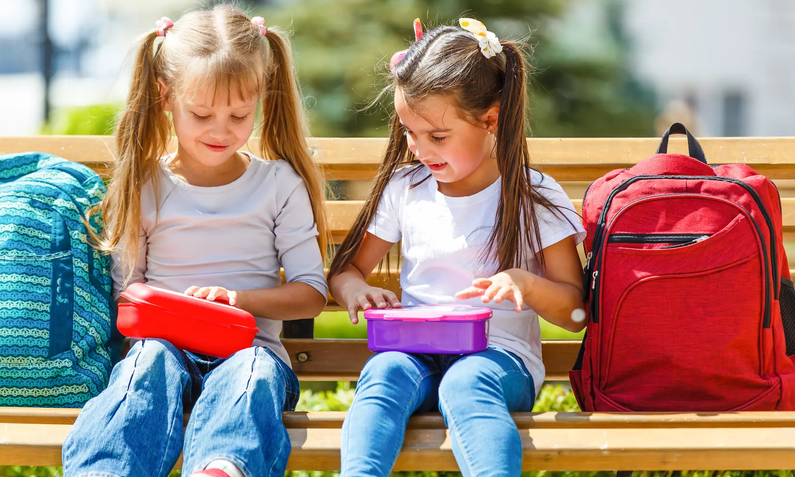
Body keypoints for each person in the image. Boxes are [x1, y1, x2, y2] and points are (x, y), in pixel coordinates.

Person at [62, 5, 328, 477]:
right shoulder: (144, 184)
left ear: (260, 99)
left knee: (250, 375)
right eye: (202, 113)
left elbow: (310, 293)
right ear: (165, 96)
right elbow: (130, 296)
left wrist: (238, 301)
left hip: (252, 352)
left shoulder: (279, 184)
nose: (221, 130)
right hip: (165, 351)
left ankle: (223, 467)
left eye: (239, 114)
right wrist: (168, 318)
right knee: (145, 362)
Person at [327, 18, 587, 477]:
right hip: (415, 352)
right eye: (410, 132)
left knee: (467, 383)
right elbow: (347, 272)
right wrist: (353, 291)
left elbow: (574, 312)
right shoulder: (405, 187)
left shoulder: (531, 196)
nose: (419, 149)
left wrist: (525, 282)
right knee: (383, 376)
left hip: (500, 358)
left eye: (437, 137)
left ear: (491, 118)